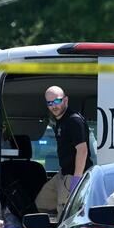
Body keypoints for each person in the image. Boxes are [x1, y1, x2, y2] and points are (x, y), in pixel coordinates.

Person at [35, 86, 88, 216]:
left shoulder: (73, 120)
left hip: (73, 175)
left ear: (65, 100)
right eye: (50, 103)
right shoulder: (60, 120)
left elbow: (82, 151)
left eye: (57, 101)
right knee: (41, 203)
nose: (54, 106)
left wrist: (77, 180)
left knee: (65, 214)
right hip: (62, 173)